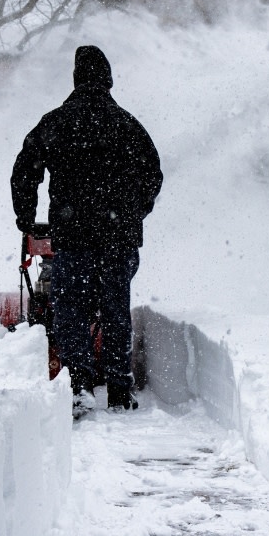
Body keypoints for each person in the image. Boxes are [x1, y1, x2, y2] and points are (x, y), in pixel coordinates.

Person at [11, 45, 163, 416]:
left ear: (77, 79)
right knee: (115, 308)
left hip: (73, 235)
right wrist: (133, 212)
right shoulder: (127, 124)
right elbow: (153, 175)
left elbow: (24, 171)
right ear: (108, 80)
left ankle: (79, 384)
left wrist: (27, 218)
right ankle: (119, 389)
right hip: (117, 238)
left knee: (72, 309)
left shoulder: (56, 122)